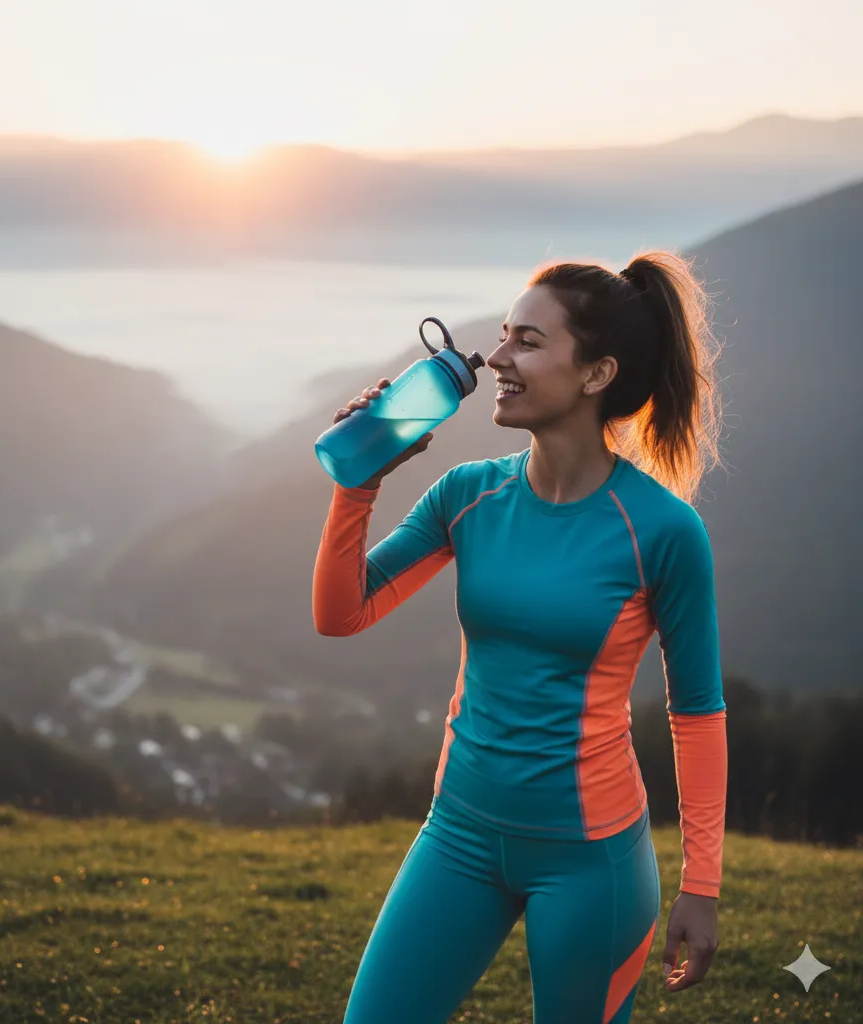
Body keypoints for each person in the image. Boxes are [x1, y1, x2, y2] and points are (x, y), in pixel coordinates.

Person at [312, 251, 728, 1024]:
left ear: (597, 374)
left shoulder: (665, 532)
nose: (496, 357)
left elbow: (697, 712)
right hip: (458, 836)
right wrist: (357, 481)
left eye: (527, 342)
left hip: (591, 865)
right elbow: (343, 613)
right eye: (503, 336)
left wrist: (700, 887)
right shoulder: (468, 495)